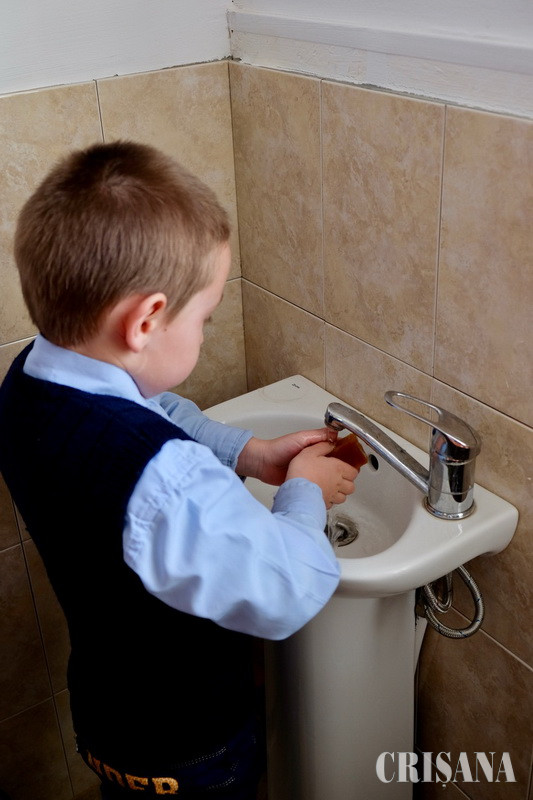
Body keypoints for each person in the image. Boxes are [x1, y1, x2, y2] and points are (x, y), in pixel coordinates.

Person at [0, 142, 358, 798]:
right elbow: (287, 588)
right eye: (204, 319)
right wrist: (303, 491)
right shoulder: (164, 478)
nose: (205, 331)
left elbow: (146, 407)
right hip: (191, 748)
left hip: (109, 717)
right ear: (145, 322)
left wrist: (247, 453)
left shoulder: (29, 381)